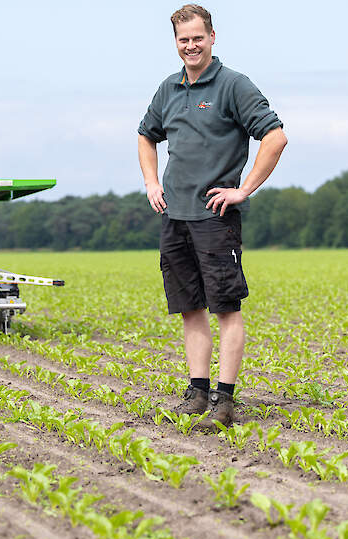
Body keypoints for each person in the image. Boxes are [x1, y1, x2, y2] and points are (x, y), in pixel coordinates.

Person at [137, 4, 287, 428]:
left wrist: (243, 190)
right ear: (176, 43)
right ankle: (197, 393)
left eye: (197, 38)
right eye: (183, 40)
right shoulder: (168, 89)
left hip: (215, 217)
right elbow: (146, 137)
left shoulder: (234, 85)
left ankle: (224, 401)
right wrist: (152, 182)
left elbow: (275, 137)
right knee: (189, 308)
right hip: (175, 216)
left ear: (212, 37)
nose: (191, 46)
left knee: (225, 308)